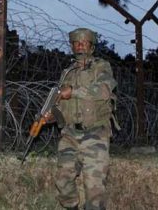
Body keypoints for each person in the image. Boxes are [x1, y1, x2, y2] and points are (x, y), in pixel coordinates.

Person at [49, 28, 117, 210]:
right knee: (63, 181)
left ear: (91, 46)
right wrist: (50, 116)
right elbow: (61, 103)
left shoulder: (101, 67)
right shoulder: (67, 72)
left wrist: (73, 92)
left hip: (95, 134)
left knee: (95, 188)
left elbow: (104, 91)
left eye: (84, 42)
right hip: (70, 134)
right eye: (76, 43)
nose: (79, 46)